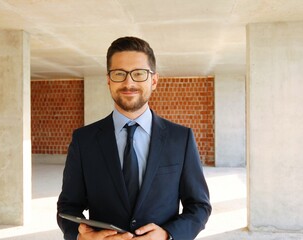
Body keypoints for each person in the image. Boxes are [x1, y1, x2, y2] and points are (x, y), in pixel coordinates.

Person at [57, 36, 211, 240]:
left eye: (138, 73)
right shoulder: (83, 140)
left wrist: (168, 234)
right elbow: (68, 207)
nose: (129, 83)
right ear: (109, 80)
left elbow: (199, 206)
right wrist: (81, 236)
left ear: (153, 80)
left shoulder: (180, 138)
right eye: (119, 74)